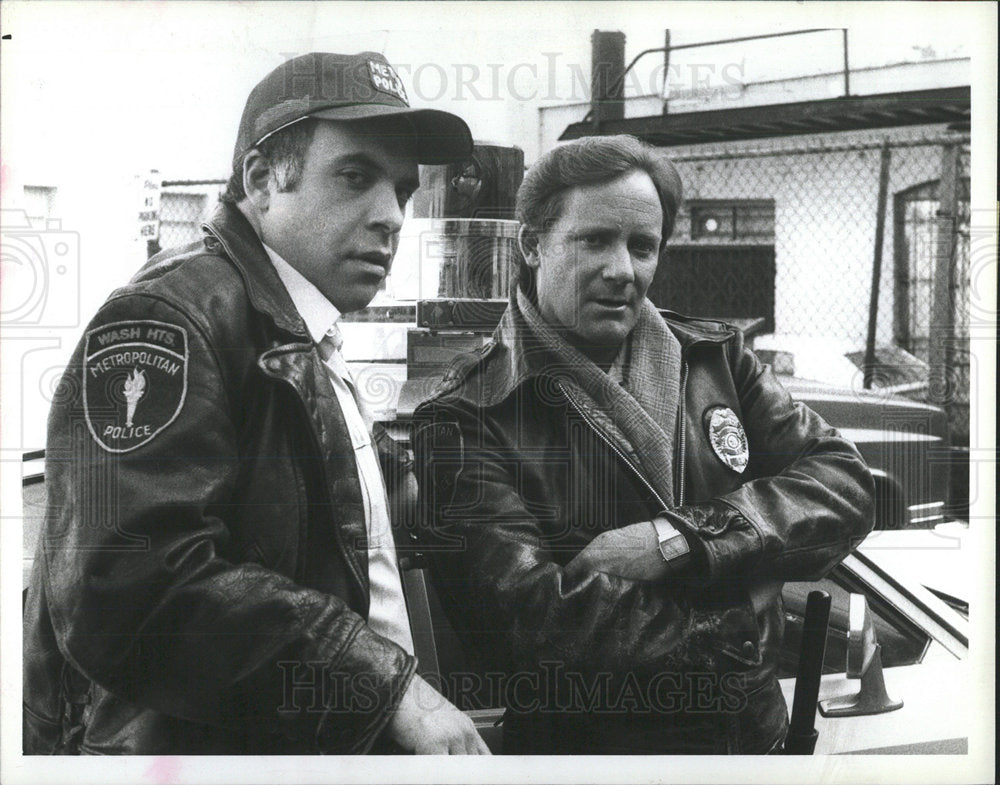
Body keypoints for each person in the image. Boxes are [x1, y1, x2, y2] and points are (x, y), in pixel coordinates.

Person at [23, 51, 490, 755]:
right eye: (357, 177)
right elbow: (130, 584)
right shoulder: (167, 321)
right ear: (263, 179)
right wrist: (383, 686)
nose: (392, 215)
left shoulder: (299, 330)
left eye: (402, 189)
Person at [412, 134, 875, 754]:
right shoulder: (467, 413)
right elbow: (530, 625)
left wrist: (679, 540)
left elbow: (844, 482)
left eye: (643, 246)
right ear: (532, 245)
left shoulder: (716, 361)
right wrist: (743, 618)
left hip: (752, 744)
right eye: (594, 240)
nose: (623, 270)